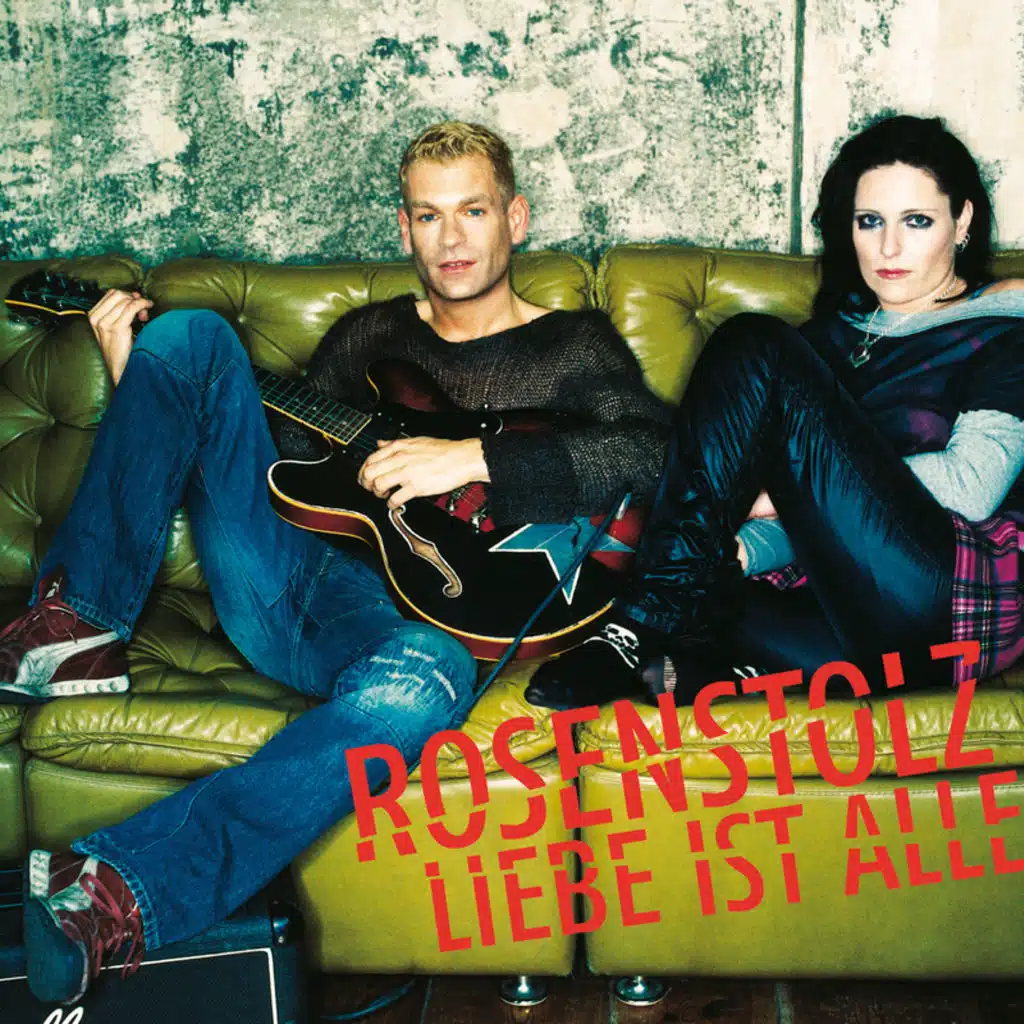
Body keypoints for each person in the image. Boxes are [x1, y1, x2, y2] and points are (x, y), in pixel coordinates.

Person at [0, 121, 670, 1004]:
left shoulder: (573, 346)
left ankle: (115, 892)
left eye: (472, 211)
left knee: (417, 690)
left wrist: (471, 458)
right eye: (428, 215)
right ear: (404, 229)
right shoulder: (369, 338)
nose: (452, 236)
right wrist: (146, 382)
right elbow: (264, 467)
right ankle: (77, 623)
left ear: (515, 217)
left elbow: (651, 454)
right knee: (192, 336)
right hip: (301, 593)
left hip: (433, 633)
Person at [527, 114, 1024, 711]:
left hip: (937, 601)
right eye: (870, 221)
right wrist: (740, 551)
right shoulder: (825, 341)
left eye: (917, 221)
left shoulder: (1000, 332)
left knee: (752, 340)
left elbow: (971, 488)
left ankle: (643, 624)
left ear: (961, 222)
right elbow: (827, 520)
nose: (889, 248)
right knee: (703, 598)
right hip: (850, 623)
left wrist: (786, 494)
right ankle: (710, 658)